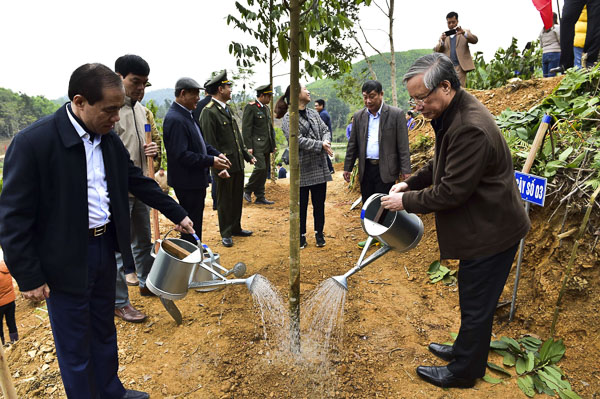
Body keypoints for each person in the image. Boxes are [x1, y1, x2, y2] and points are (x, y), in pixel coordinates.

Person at [0, 63, 195, 399]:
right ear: (79, 101)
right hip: (65, 259)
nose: (116, 118)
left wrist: (177, 212)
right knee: (75, 342)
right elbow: (12, 217)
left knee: (104, 328)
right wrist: (29, 276)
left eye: (118, 109)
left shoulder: (106, 141)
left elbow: (135, 179)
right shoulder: (34, 143)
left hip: (104, 249)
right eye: (109, 110)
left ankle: (110, 390)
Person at [381, 53, 530, 389]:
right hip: (483, 224)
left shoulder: (469, 127)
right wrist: (412, 181)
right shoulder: (453, 113)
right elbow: (442, 162)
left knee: (477, 304)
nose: (417, 106)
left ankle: (464, 371)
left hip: (493, 230)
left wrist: (403, 200)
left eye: (422, 97)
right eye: (413, 99)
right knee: (471, 296)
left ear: (445, 86)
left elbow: (450, 192)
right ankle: (464, 350)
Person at [112, 54, 159, 323]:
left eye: (144, 83)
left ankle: (146, 282)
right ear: (120, 78)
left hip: (141, 186)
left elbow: (147, 147)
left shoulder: (141, 110)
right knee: (119, 248)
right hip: (118, 190)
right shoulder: (113, 110)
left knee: (143, 241)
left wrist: (151, 151)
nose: (140, 88)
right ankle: (120, 302)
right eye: (135, 82)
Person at [343, 80, 411, 249]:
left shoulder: (396, 114)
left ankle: (384, 237)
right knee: (367, 203)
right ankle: (371, 236)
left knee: (384, 203)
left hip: (386, 168)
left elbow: (403, 145)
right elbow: (353, 145)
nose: (368, 101)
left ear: (381, 94)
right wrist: (347, 167)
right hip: (366, 168)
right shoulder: (359, 117)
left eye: (372, 96)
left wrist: (406, 170)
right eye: (365, 97)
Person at [163, 77, 230, 245]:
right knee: (190, 223)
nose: (199, 99)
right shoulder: (175, 119)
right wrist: (211, 161)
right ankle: (190, 257)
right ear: (183, 93)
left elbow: (201, 143)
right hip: (187, 182)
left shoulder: (188, 114)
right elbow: (182, 155)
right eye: (195, 94)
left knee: (195, 220)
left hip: (195, 180)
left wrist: (216, 155)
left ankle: (195, 253)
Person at [200, 70, 255, 248]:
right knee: (224, 199)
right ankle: (226, 232)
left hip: (236, 162)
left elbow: (236, 137)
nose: (231, 89)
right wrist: (218, 167)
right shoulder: (209, 112)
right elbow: (209, 142)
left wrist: (246, 156)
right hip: (223, 164)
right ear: (220, 89)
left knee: (236, 197)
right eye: (228, 86)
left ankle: (236, 227)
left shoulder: (226, 109)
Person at [277, 85, 333, 248]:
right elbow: (297, 140)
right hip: (301, 167)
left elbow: (325, 129)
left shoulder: (313, 113)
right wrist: (320, 144)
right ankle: (300, 236)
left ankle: (319, 234)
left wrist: (326, 141)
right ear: (296, 94)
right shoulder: (289, 118)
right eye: (304, 89)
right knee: (301, 205)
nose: (308, 91)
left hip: (319, 165)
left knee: (319, 203)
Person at [243, 83, 277, 204]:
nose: (270, 98)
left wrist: (273, 145)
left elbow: (269, 128)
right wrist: (248, 147)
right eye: (269, 96)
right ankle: (247, 189)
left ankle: (260, 196)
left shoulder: (266, 108)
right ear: (262, 96)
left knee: (264, 171)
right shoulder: (251, 107)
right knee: (260, 167)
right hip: (256, 145)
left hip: (267, 145)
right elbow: (246, 128)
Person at [434, 11, 478, 87]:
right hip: (448, 67)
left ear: (457, 21)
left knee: (459, 88)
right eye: (449, 23)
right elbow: (436, 50)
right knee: (448, 88)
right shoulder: (444, 36)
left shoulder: (464, 32)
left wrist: (464, 33)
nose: (451, 24)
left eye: (453, 22)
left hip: (460, 66)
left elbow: (475, 40)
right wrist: (442, 41)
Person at [554, 0, 599, 73]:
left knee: (595, 23)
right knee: (566, 18)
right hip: (579, 38)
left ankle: (590, 62)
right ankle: (566, 64)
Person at [0, 250, 18, 345]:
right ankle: (15, 341)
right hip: (11, 301)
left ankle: (1, 345)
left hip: (1, 304)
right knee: (11, 322)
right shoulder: (6, 268)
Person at [315, 99, 335, 174]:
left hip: (325, 137)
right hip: (324, 137)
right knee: (324, 153)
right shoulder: (322, 113)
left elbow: (321, 127)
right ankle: (330, 169)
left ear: (321, 106)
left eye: (317, 106)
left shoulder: (323, 114)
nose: (315, 107)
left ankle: (330, 169)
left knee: (324, 153)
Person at [539, 13, 561, 77]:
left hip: (545, 54)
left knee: (545, 77)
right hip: (555, 52)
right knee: (551, 76)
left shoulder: (542, 30)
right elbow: (561, 40)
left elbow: (541, 45)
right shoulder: (557, 27)